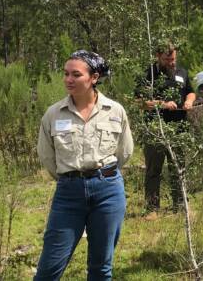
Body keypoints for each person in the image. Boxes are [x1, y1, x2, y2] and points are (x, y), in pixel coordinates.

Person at [35, 50, 134, 281]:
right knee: (49, 269)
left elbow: (124, 151)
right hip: (69, 194)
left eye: (76, 74)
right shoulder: (54, 114)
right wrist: (71, 178)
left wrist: (103, 175)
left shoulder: (115, 111)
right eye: (66, 74)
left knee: (101, 267)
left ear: (94, 78)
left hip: (108, 191)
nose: (68, 79)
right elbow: (47, 157)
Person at [135, 42, 195, 217]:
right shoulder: (148, 75)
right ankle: (152, 209)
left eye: (173, 58)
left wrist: (189, 101)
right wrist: (162, 104)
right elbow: (139, 102)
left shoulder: (181, 73)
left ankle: (180, 206)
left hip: (179, 130)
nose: (172, 62)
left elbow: (191, 91)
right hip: (156, 130)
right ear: (158, 57)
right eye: (167, 59)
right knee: (154, 170)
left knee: (178, 168)